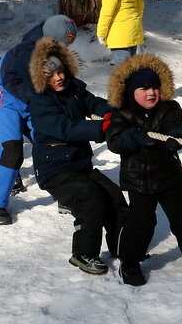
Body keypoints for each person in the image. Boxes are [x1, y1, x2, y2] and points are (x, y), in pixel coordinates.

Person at [105, 54, 182, 286]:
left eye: (155, 87)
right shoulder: (121, 112)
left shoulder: (169, 108)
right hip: (138, 180)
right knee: (141, 222)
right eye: (144, 88)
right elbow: (114, 142)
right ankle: (130, 262)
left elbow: (175, 126)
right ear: (131, 91)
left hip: (168, 177)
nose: (151, 92)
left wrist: (175, 136)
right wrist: (130, 138)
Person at [29, 37, 126, 275]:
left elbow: (92, 102)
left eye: (60, 71)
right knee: (90, 198)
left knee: (114, 196)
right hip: (55, 169)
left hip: (79, 164)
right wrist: (100, 129)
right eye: (51, 75)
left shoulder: (73, 88)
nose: (58, 78)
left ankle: (123, 247)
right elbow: (65, 128)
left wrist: (112, 114)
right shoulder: (40, 102)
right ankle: (83, 253)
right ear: (42, 77)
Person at [0, 15, 78, 225]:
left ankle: (64, 192)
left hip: (33, 102)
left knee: (53, 143)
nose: (64, 48)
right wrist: (40, 100)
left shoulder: (53, 52)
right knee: (12, 150)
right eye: (62, 44)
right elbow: (9, 81)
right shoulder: (22, 53)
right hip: (8, 102)